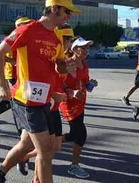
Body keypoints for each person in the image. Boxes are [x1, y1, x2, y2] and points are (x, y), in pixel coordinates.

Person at [0, 0, 80, 183]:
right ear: (54, 8)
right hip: (26, 100)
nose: (69, 16)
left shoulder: (56, 37)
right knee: (45, 153)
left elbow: (58, 64)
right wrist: (2, 86)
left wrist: (67, 65)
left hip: (44, 100)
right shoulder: (28, 29)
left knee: (26, 145)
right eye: (67, 11)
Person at [15, 23, 75, 177]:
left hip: (52, 105)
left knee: (51, 148)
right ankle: (17, 168)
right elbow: (44, 77)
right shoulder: (51, 55)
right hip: (42, 105)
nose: (70, 43)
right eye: (68, 39)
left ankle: (23, 160)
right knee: (43, 151)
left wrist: (68, 89)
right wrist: (54, 93)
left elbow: (63, 80)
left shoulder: (66, 58)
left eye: (72, 40)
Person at [0, 16, 33, 129]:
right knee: (15, 101)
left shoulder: (28, 39)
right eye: (25, 24)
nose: (28, 26)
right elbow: (0, 54)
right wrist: (13, 61)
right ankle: (22, 131)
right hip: (12, 74)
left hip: (22, 74)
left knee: (13, 100)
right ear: (18, 26)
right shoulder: (12, 38)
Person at [60, 37, 97, 179]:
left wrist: (91, 84)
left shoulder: (84, 64)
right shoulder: (68, 64)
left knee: (74, 135)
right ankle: (74, 166)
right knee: (81, 134)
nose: (86, 50)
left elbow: (84, 83)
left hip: (81, 103)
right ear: (74, 49)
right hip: (69, 103)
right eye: (83, 47)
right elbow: (60, 82)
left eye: (88, 47)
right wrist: (72, 91)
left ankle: (48, 143)